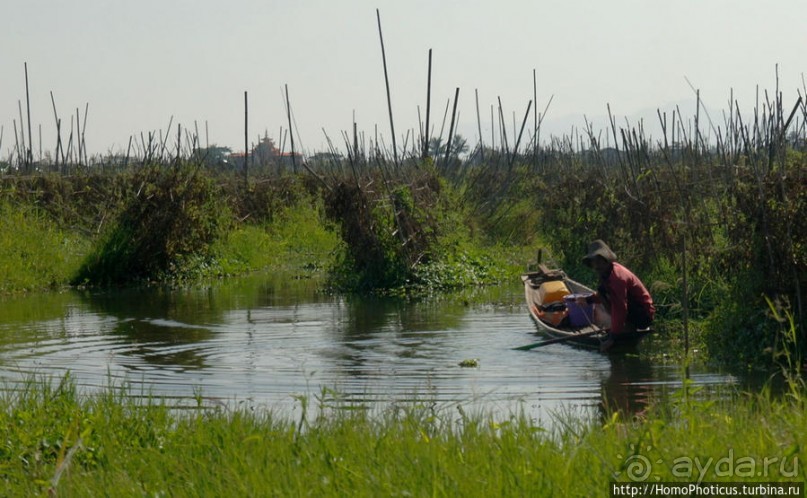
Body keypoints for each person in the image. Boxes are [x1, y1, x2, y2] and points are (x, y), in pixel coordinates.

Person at [578, 240, 655, 352]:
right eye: (594, 262)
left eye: (600, 261)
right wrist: (588, 300)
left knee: (612, 300)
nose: (596, 266)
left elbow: (620, 308)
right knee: (602, 292)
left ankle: (625, 328)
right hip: (633, 310)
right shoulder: (606, 273)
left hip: (643, 314)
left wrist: (612, 338)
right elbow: (602, 296)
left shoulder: (617, 277)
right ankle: (624, 328)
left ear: (606, 261)